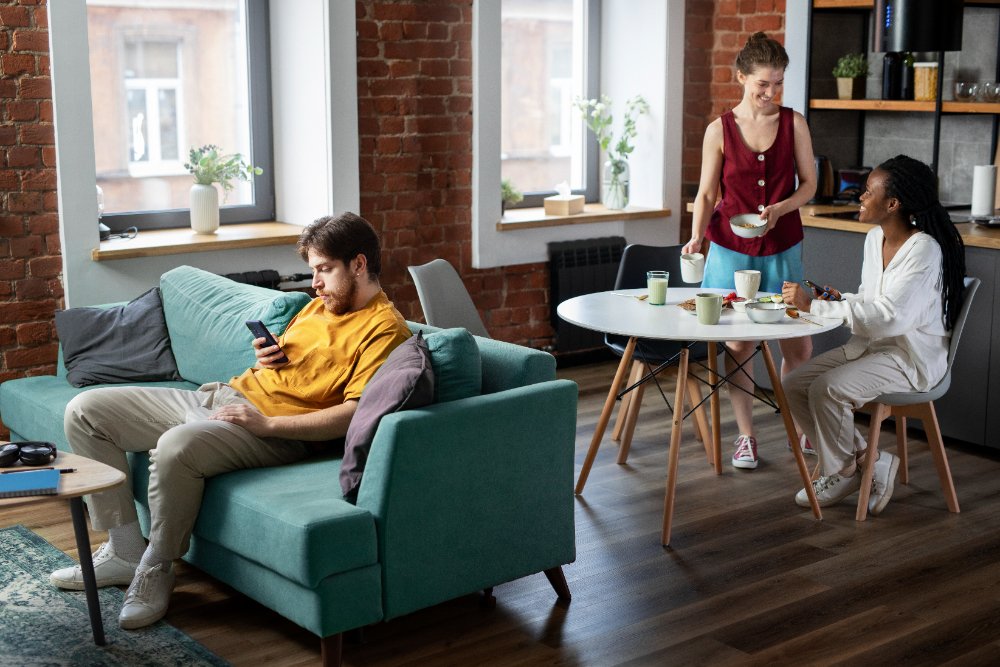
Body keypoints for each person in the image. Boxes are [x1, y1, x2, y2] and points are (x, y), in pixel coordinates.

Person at [50, 212, 411, 629]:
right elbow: (296, 369)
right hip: (223, 397)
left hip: (272, 432)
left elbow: (352, 415)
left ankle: (156, 566)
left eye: (324, 270)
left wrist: (266, 426)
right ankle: (125, 550)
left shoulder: (385, 331)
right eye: (313, 270)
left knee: (175, 446)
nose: (314, 283)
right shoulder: (319, 306)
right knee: (86, 411)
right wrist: (267, 358)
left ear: (359, 264)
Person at [781, 155, 966, 514]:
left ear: (893, 204)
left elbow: (891, 318)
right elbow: (873, 301)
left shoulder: (924, 250)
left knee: (826, 388)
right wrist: (839, 300)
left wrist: (812, 307)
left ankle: (844, 471)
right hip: (872, 347)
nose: (860, 197)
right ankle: (872, 460)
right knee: (794, 384)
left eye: (868, 192)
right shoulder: (874, 239)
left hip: (909, 359)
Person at [682, 32, 818, 470]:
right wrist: (696, 236)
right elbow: (707, 194)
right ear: (741, 76)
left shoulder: (794, 123)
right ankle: (746, 437)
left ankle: (801, 426)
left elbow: (810, 185)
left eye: (778, 83)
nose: (771, 92)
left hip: (783, 245)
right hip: (729, 248)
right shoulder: (718, 130)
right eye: (763, 83)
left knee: (797, 346)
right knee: (739, 342)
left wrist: (781, 208)